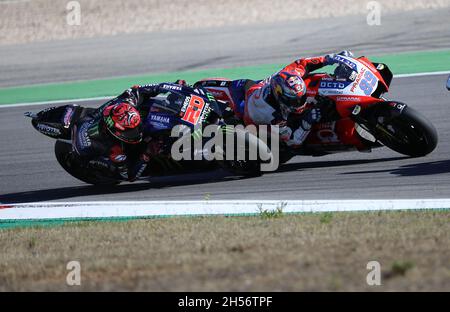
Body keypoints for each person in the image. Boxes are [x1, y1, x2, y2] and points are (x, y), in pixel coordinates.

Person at [72, 82, 186, 181]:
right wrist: (146, 154)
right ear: (115, 132)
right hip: (100, 150)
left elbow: (141, 88)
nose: (136, 132)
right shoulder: (114, 151)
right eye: (130, 132)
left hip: (94, 118)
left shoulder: (127, 102)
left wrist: (175, 87)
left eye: (136, 128)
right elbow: (129, 176)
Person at [243, 50, 354, 147]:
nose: (300, 103)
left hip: (261, 88)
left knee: (314, 81)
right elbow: (292, 142)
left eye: (301, 98)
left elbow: (304, 63)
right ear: (282, 99)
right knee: (296, 126)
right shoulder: (273, 116)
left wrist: (331, 58)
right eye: (295, 101)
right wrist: (307, 122)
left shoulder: (289, 75)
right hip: (260, 123)